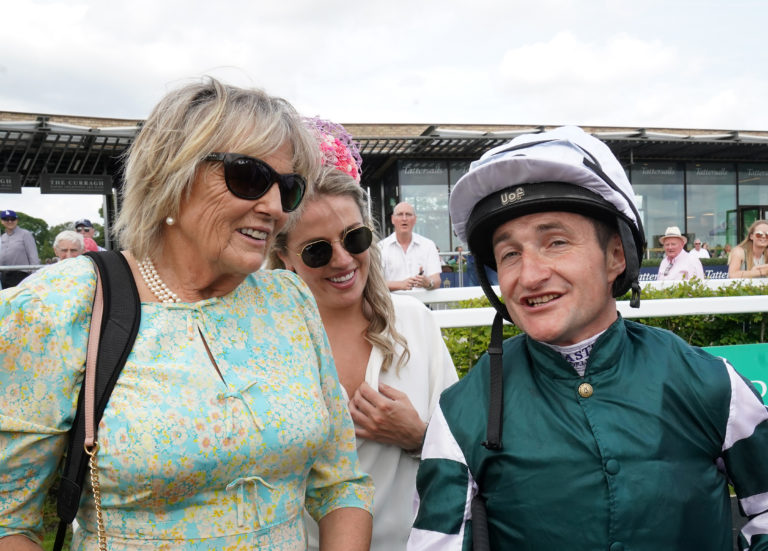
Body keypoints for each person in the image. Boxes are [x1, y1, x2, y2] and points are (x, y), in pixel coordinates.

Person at [0, 78, 373, 550]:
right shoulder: (58, 305)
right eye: (250, 177)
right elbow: (8, 519)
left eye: (289, 188)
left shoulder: (289, 302)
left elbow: (341, 484)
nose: (276, 207)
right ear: (171, 174)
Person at [407, 126, 768, 550]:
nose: (530, 275)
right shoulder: (462, 411)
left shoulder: (708, 381)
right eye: (509, 254)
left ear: (617, 255)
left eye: (555, 242)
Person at [269, 119, 458, 551]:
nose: (342, 260)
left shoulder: (415, 323)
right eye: (317, 250)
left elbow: (464, 451)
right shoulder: (267, 345)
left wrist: (416, 436)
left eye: (354, 238)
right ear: (285, 258)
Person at [379, 202, 441, 291]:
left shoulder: (428, 245)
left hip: (423, 303)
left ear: (415, 219)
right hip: (393, 303)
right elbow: (375, 284)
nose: (404, 218)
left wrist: (428, 283)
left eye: (408, 214)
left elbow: (436, 280)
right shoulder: (381, 247)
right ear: (393, 219)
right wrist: (400, 285)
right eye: (400, 214)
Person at [0, 209, 40, 288]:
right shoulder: (2, 237)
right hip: (4, 276)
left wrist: (35, 277)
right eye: (6, 219)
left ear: (17, 220)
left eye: (12, 219)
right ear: (2, 221)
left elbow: (33, 257)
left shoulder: (25, 234)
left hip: (21, 275)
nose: (10, 221)